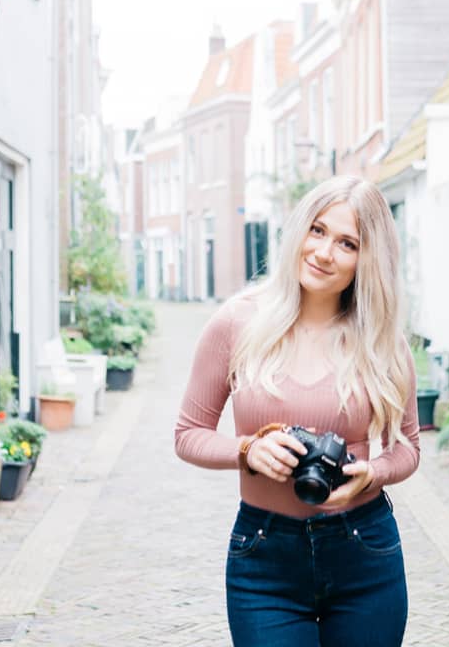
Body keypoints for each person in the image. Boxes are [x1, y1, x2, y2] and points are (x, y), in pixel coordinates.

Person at [174, 175, 420, 647]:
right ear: (298, 231)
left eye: (348, 243)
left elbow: (408, 447)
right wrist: (247, 450)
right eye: (317, 230)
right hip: (264, 560)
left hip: (364, 551)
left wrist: (374, 473)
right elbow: (188, 434)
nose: (324, 252)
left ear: (368, 260)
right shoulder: (237, 322)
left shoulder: (383, 343)